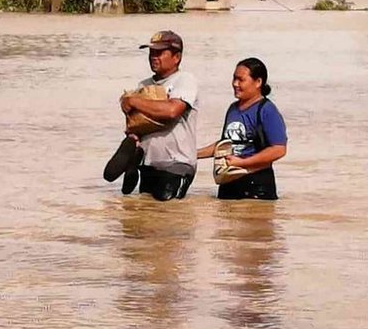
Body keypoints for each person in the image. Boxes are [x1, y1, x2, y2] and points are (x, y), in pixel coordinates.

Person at [105, 30, 199, 201]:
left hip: (176, 165)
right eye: (151, 53)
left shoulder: (185, 80)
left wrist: (133, 101)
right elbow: (137, 123)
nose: (153, 57)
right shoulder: (144, 85)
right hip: (148, 164)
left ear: (176, 57)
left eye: (159, 52)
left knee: (169, 213)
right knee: (147, 215)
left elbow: (172, 111)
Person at [197, 58, 287, 200]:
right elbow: (225, 144)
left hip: (256, 185)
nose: (235, 84)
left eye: (241, 80)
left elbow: (279, 149)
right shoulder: (233, 109)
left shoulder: (267, 110)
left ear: (258, 82)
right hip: (228, 182)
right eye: (234, 79)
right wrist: (193, 154)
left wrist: (242, 163)